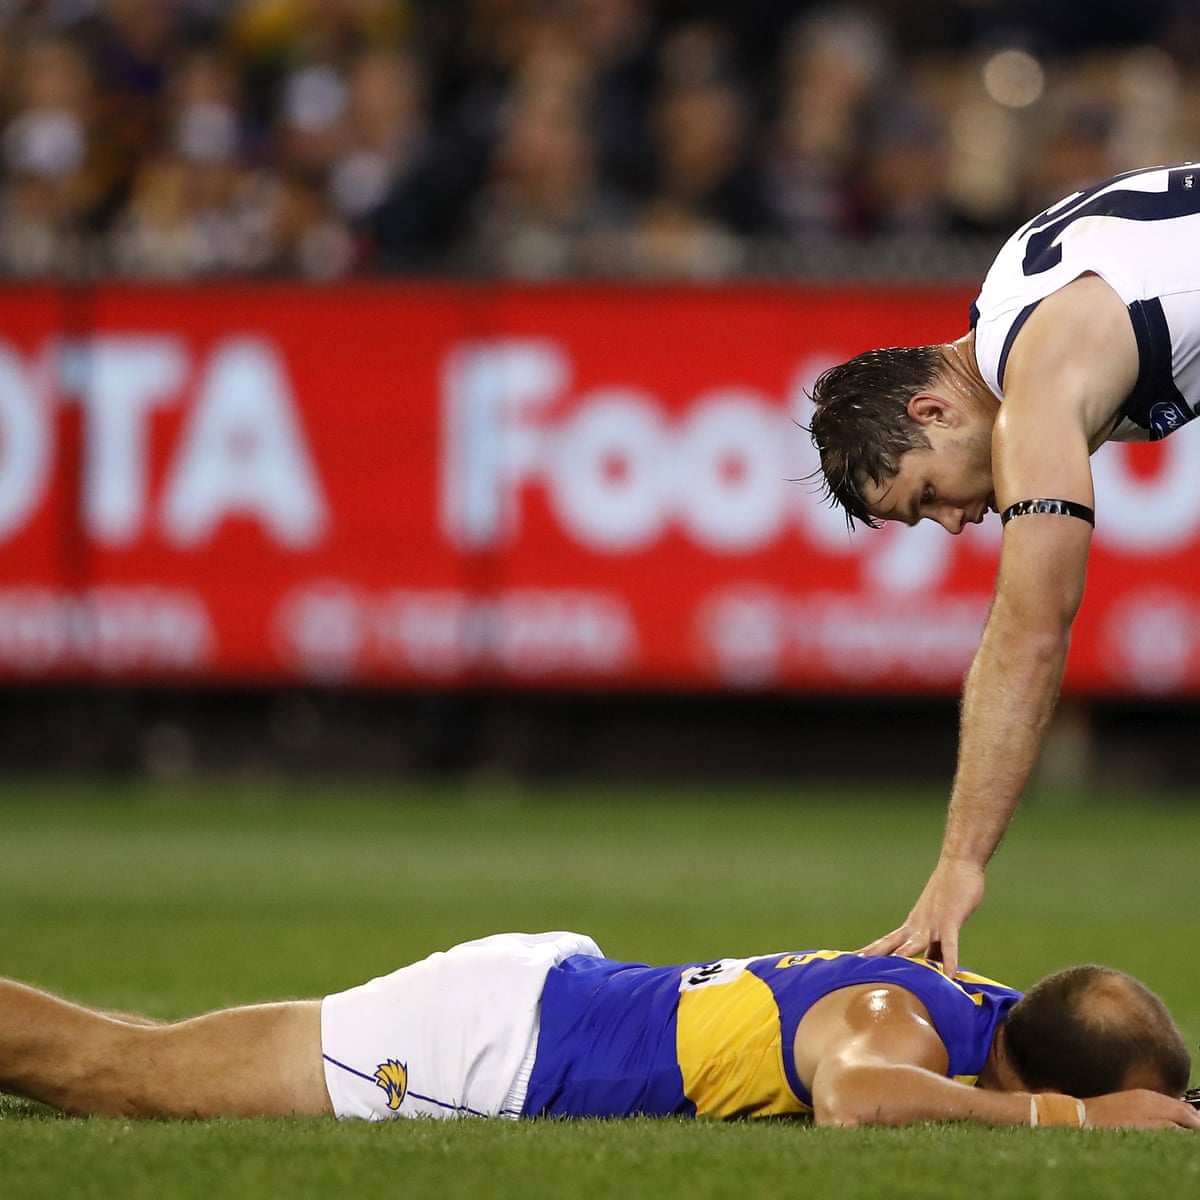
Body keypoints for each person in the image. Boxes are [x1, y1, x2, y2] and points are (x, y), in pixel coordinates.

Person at [807, 162, 1200, 978]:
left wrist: (959, 863)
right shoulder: (1008, 298)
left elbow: (1030, 631)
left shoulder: (1036, 388)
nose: (954, 522)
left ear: (932, 410)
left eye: (927, 496)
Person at [1, 929, 1196, 1129]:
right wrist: (1080, 1121)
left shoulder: (981, 1004)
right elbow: (858, 1100)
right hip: (497, 1051)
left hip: (540, 998)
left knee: (147, 1049)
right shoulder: (903, 1025)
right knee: (125, 1079)